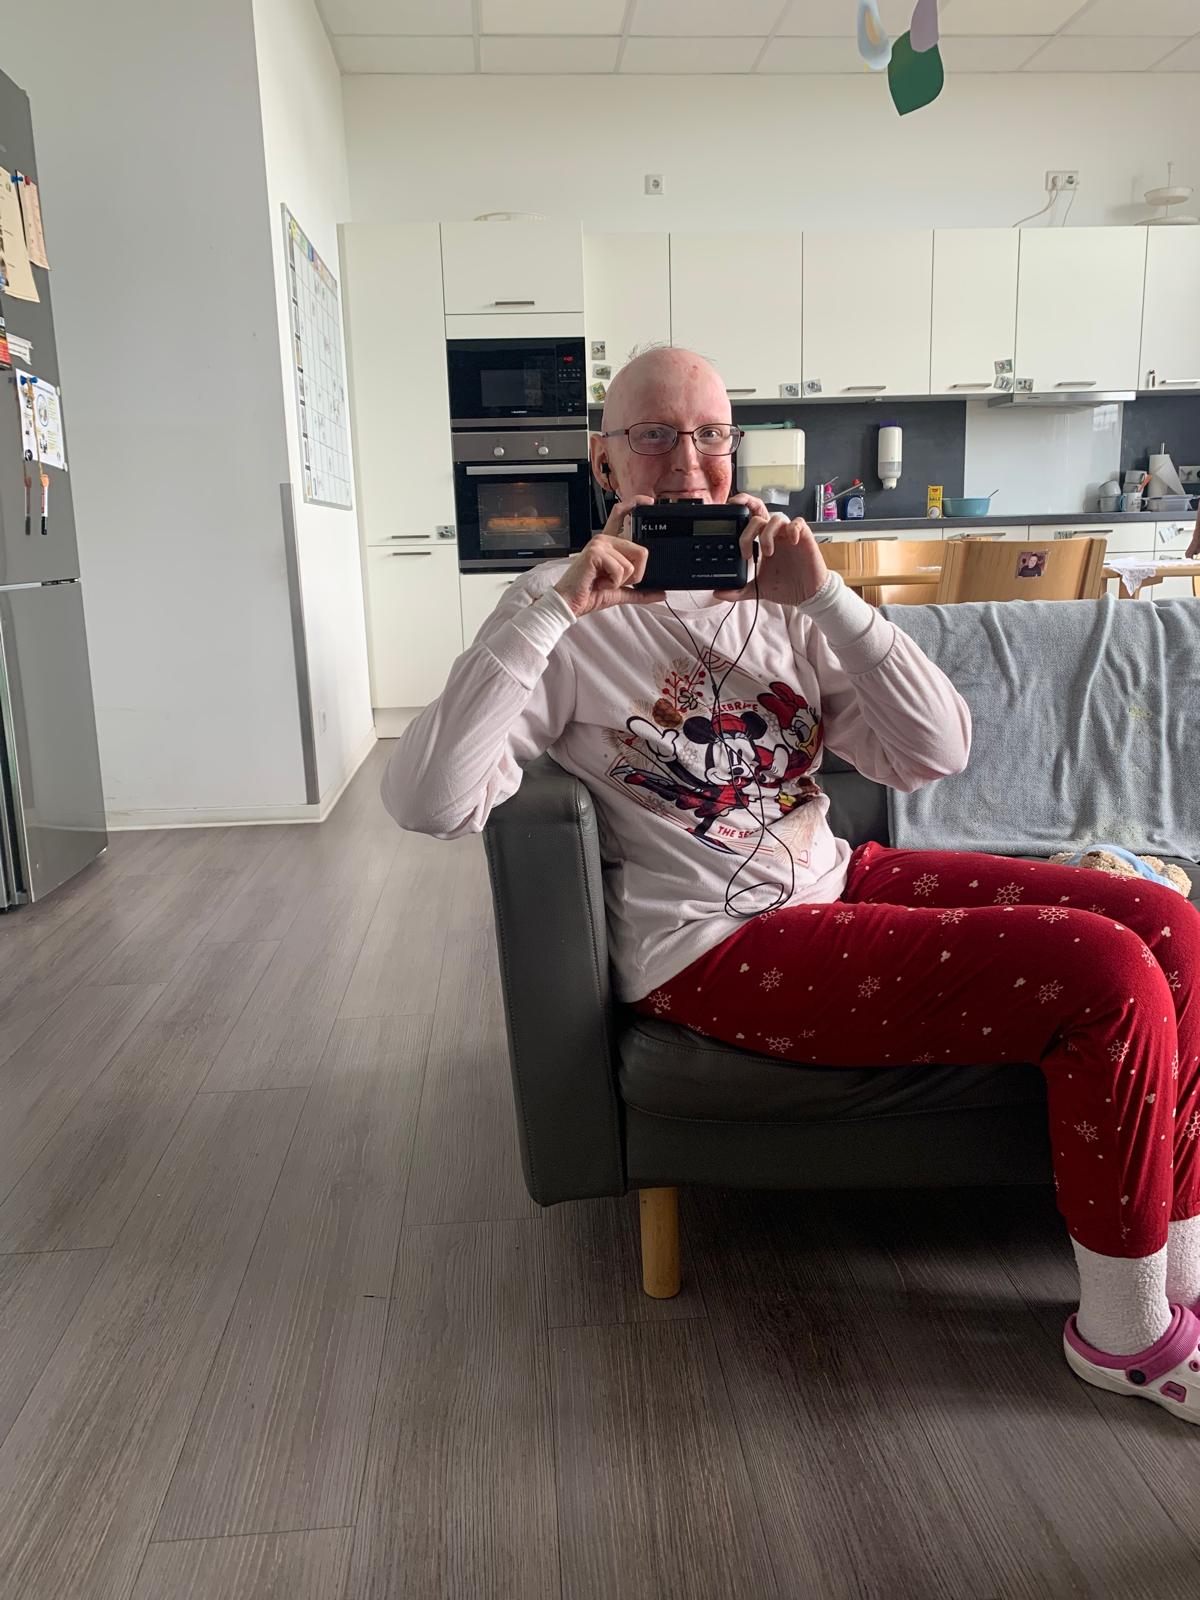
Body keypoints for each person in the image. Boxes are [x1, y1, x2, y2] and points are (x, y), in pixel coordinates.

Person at [383, 345, 1200, 1423]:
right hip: (712, 943)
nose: (689, 466)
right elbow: (429, 799)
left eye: (710, 435)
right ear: (604, 460)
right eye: (654, 436)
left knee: (1165, 921)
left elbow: (939, 751)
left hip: (838, 878)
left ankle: (1178, 1271)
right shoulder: (563, 615)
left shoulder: (784, 597)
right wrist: (547, 610)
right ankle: (1127, 1335)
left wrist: (826, 599)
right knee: (1103, 971)